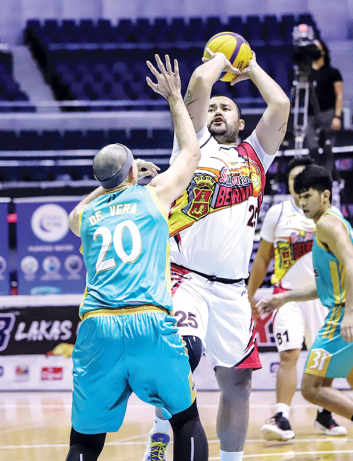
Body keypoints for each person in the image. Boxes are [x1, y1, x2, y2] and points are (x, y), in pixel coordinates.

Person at [142, 48, 290, 461]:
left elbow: (280, 105)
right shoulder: (191, 146)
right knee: (183, 354)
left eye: (228, 107)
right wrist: (223, 57)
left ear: (242, 123)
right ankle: (159, 432)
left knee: (238, 384)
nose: (218, 110)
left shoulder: (256, 157)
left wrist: (253, 66)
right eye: (213, 108)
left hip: (231, 290)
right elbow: (199, 84)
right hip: (183, 275)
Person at [64, 54, 208, 461]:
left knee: (85, 441)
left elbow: (74, 215)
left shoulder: (87, 215)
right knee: (185, 419)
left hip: (97, 328)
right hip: (149, 320)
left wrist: (108, 185)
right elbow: (192, 154)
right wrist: (176, 99)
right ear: (132, 174)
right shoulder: (152, 195)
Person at [257, 165, 353, 461]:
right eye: (298, 197)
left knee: (311, 388)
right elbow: (325, 285)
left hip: (351, 310)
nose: (303, 203)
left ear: (325, 195)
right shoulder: (336, 222)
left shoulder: (325, 224)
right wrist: (284, 299)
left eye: (307, 196)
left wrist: (348, 312)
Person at [246, 156, 348, 441]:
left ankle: (324, 414)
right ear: (289, 184)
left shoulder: (328, 214)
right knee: (289, 354)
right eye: (294, 179)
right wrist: (249, 294)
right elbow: (263, 257)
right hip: (285, 297)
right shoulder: (277, 213)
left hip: (323, 297)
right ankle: (282, 417)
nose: (299, 184)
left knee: (326, 359)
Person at [305, 39, 344, 179]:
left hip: (328, 113)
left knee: (328, 149)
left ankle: (327, 178)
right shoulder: (306, 73)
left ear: (323, 51)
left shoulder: (333, 72)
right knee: (312, 148)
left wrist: (337, 116)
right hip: (309, 115)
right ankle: (314, 176)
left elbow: (339, 95)